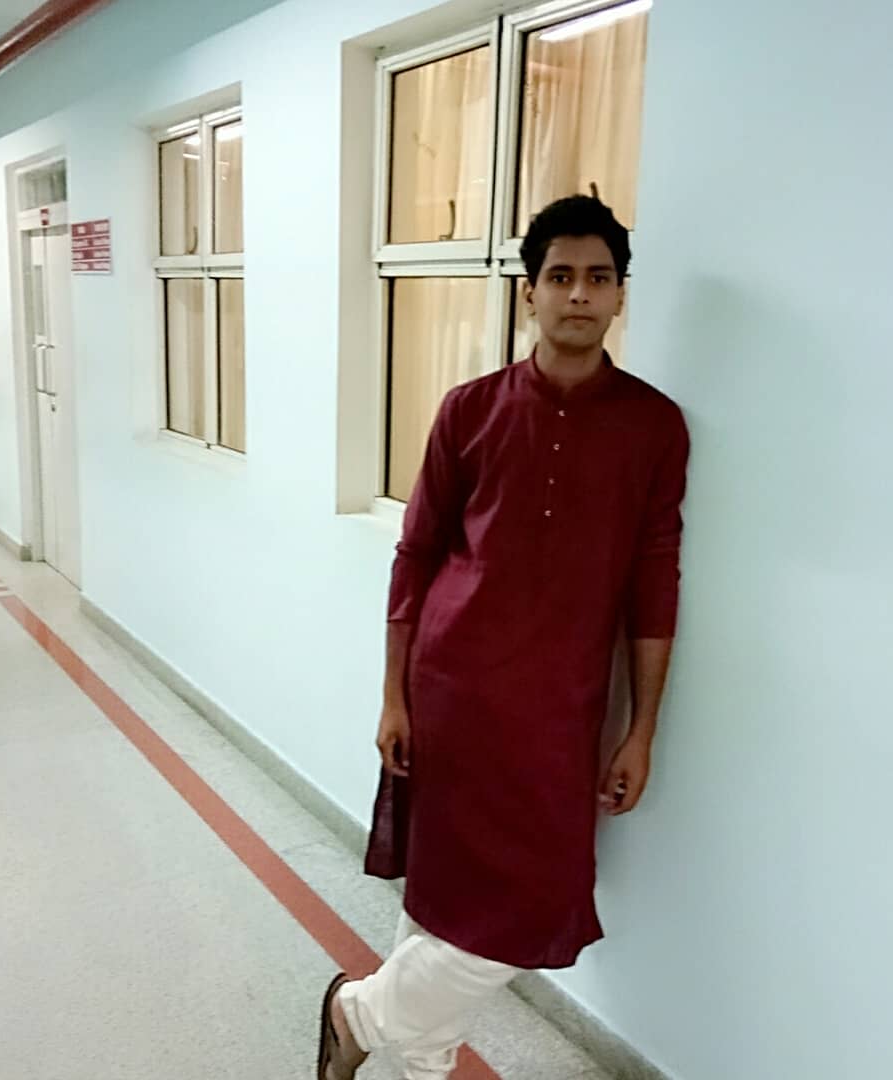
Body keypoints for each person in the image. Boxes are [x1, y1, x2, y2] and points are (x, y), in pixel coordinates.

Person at [316, 195, 690, 1080]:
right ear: (530, 292)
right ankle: (422, 1063)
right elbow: (416, 555)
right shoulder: (471, 410)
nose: (579, 294)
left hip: (562, 713)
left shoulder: (652, 425)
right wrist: (394, 695)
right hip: (454, 694)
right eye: (560, 276)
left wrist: (641, 728)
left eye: (599, 277)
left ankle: (354, 1013)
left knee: (532, 906)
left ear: (621, 294)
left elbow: (653, 587)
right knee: (443, 892)